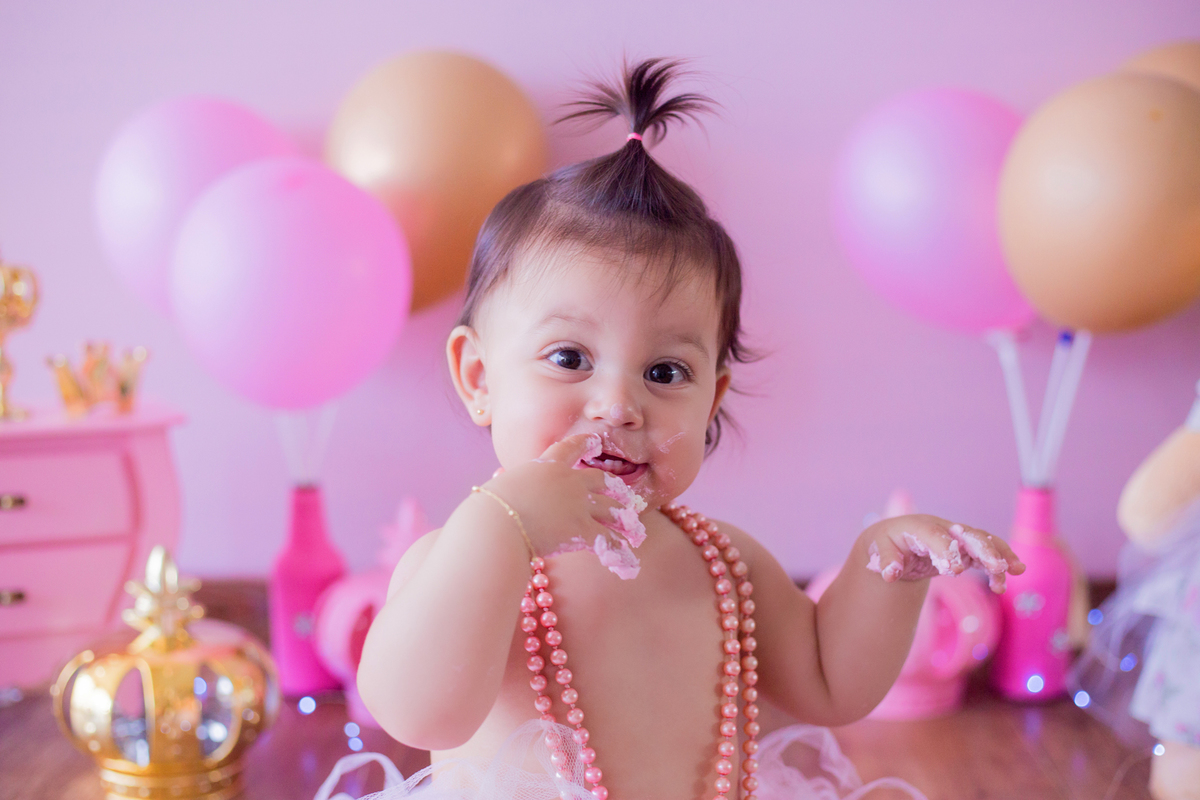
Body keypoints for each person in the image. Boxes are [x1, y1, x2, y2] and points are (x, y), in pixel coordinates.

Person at [327, 59, 1024, 800]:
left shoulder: (726, 564)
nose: (617, 406)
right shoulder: (461, 557)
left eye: (664, 372)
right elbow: (418, 714)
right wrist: (502, 527)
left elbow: (830, 685)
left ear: (712, 398)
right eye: (569, 358)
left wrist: (886, 572)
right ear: (479, 378)